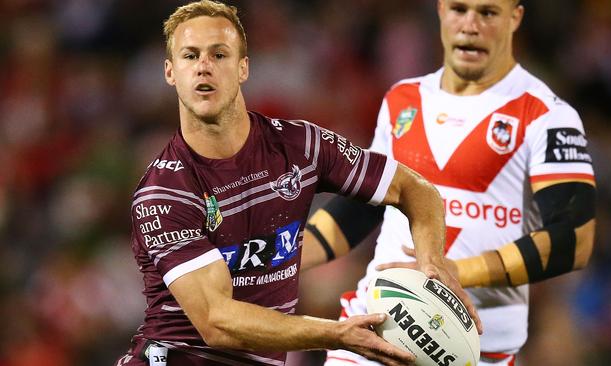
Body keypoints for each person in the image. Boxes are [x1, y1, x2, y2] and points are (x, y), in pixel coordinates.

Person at [114, 1, 482, 366]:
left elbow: (413, 188)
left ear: (243, 68)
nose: (204, 67)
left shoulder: (301, 146)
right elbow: (216, 322)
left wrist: (432, 260)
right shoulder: (164, 192)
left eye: (219, 54)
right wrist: (338, 335)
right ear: (170, 72)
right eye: (190, 56)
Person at [301, 0, 596, 365]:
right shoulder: (401, 99)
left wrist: (452, 273)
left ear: (515, 17)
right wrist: (285, 261)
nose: (470, 25)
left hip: (473, 347)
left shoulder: (548, 115)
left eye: (487, 13)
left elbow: (575, 239)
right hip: (379, 326)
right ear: (441, 11)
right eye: (459, 9)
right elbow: (365, 205)